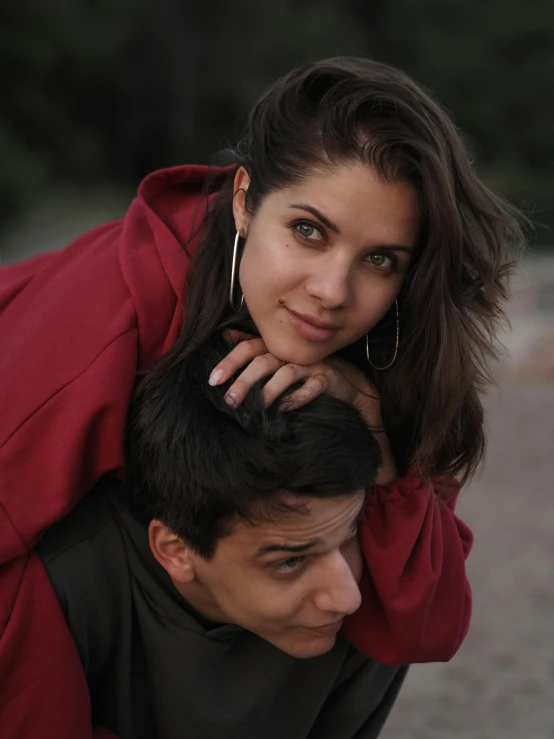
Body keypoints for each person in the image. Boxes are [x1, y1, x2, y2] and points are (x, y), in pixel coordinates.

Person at [0, 57, 520, 736]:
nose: (332, 291)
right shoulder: (106, 321)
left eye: (380, 259)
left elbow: (426, 622)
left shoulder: (396, 351)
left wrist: (378, 437)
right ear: (244, 198)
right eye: (309, 230)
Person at [37, 334, 407, 739]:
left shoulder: (374, 603)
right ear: (175, 551)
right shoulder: (63, 593)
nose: (347, 597)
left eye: (350, 533)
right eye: (290, 561)